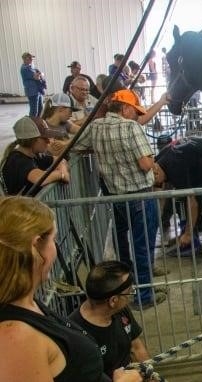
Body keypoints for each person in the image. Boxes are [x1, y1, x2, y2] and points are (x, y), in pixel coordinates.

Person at [0, 196, 142, 382]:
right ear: (36, 246)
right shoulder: (14, 337)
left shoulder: (27, 303)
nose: (56, 247)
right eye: (53, 239)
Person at [73, 90, 165, 310]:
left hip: (115, 195)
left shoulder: (96, 126)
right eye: (134, 111)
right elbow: (144, 163)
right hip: (140, 194)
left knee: (123, 243)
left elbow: (77, 145)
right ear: (124, 108)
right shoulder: (131, 127)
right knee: (143, 245)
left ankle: (125, 288)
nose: (136, 116)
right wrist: (154, 164)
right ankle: (144, 295)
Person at [69, 261, 161, 382]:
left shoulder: (120, 310)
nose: (131, 296)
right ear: (113, 300)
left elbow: (136, 347)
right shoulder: (76, 335)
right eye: (129, 292)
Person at [153, 137, 202, 255]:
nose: (158, 184)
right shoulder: (157, 162)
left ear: (156, 173)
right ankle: (189, 233)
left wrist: (187, 235)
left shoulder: (175, 168)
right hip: (198, 163)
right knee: (180, 200)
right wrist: (158, 219)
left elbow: (192, 203)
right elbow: (160, 194)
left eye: (156, 180)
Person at [1, 116, 70, 196]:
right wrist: (61, 174)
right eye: (45, 138)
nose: (49, 141)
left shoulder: (35, 155)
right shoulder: (17, 160)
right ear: (33, 140)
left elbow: (61, 160)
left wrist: (62, 173)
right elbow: (40, 179)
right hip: (14, 207)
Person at [20, 52, 46, 117]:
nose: (32, 60)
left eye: (32, 58)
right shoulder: (25, 68)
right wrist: (40, 74)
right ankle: (32, 124)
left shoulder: (31, 67)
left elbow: (40, 74)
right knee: (34, 110)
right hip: (32, 92)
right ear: (25, 59)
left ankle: (38, 123)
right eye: (30, 58)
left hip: (37, 91)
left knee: (40, 109)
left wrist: (40, 74)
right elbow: (36, 77)